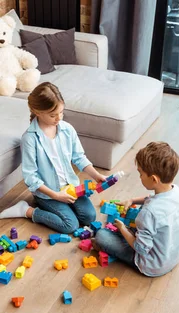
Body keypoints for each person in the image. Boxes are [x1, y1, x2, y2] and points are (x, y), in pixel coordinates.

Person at [0, 82, 107, 233]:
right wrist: (56, 195)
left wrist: (97, 176)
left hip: (71, 188)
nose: (58, 118)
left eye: (61, 112)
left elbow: (79, 157)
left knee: (89, 217)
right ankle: (27, 211)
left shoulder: (67, 130)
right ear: (37, 111)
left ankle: (63, 207)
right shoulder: (30, 139)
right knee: (70, 225)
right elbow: (31, 177)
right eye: (53, 115)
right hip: (47, 193)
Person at [93, 142, 179, 277]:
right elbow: (151, 198)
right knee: (142, 219)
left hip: (152, 265)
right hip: (172, 255)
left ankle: (119, 240)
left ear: (154, 179)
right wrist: (132, 200)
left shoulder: (149, 212)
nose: (140, 177)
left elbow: (140, 249)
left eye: (141, 173)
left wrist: (122, 228)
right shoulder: (175, 191)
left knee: (101, 235)